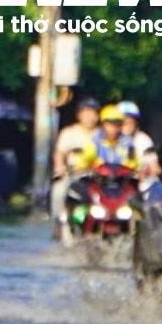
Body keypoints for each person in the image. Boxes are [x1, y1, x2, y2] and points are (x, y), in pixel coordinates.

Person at [50, 97, 100, 237]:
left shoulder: (102, 134)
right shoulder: (69, 132)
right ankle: (58, 221)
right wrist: (60, 166)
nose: (90, 117)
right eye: (87, 113)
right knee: (59, 190)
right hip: (74, 174)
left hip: (97, 177)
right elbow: (60, 153)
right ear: (79, 115)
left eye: (94, 113)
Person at [117, 100, 160, 183]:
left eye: (131, 121)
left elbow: (155, 168)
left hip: (142, 187)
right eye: (123, 121)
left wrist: (144, 173)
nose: (127, 124)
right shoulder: (110, 141)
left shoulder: (143, 140)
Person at [90, 104, 137, 169]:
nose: (113, 128)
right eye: (109, 124)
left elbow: (133, 163)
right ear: (103, 125)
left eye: (117, 124)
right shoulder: (95, 141)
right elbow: (83, 163)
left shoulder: (128, 143)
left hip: (121, 177)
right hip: (99, 178)